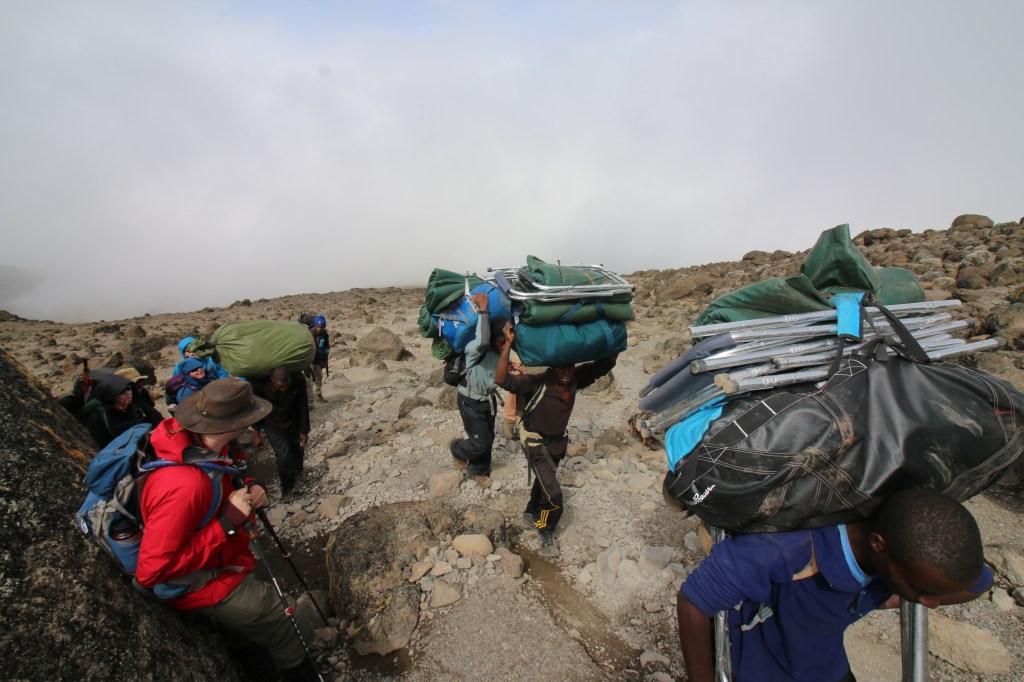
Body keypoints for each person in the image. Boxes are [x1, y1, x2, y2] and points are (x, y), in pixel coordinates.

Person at [676, 489, 994, 682]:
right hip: (759, 667)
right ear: (878, 544)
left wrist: (889, 596)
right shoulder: (789, 548)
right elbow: (694, 601)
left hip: (826, 667)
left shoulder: (902, 563)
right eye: (922, 591)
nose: (930, 604)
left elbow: (978, 584)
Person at [134, 379, 320, 681]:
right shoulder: (185, 485)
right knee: (288, 618)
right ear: (234, 425)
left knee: (246, 636)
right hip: (199, 581)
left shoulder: (198, 447)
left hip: (221, 559)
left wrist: (251, 486)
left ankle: (256, 664)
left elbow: (222, 482)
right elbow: (152, 571)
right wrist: (228, 522)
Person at [495, 322, 618, 558]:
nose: (566, 372)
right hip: (535, 444)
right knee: (554, 495)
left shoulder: (575, 379)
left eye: (569, 366)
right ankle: (545, 529)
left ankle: (531, 510)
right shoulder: (536, 382)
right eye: (561, 367)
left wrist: (615, 332)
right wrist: (508, 344)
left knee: (543, 482)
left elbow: (605, 364)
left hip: (558, 444)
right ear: (551, 366)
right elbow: (502, 380)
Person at [449, 292, 509, 489]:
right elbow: (483, 340)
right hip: (470, 401)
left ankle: (478, 470)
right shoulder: (475, 349)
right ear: (492, 338)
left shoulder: (500, 353)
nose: (505, 346)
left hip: (488, 400)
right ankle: (457, 448)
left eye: (507, 342)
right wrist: (483, 309)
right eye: (501, 341)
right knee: (480, 442)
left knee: (488, 438)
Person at [250, 367, 310, 499]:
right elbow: (257, 408)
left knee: (298, 450)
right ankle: (287, 488)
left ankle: (298, 472)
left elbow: (303, 404)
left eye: (286, 386)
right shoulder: (259, 384)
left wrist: (304, 430)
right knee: (283, 457)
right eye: (280, 387)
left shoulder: (298, 379)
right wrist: (256, 431)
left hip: (294, 422)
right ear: (272, 380)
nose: (283, 390)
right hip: (273, 426)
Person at [85, 373, 163, 448]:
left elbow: (159, 422)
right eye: (122, 392)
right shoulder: (99, 418)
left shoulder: (138, 404)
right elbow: (101, 446)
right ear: (111, 396)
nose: (128, 394)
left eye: (129, 389)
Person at [306, 316, 330, 404]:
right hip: (308, 361)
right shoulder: (308, 333)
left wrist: (325, 360)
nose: (319, 329)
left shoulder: (325, 335)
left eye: (322, 327)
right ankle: (309, 401)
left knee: (319, 377)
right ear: (315, 325)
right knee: (308, 381)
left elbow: (326, 348)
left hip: (319, 361)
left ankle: (318, 395)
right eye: (318, 326)